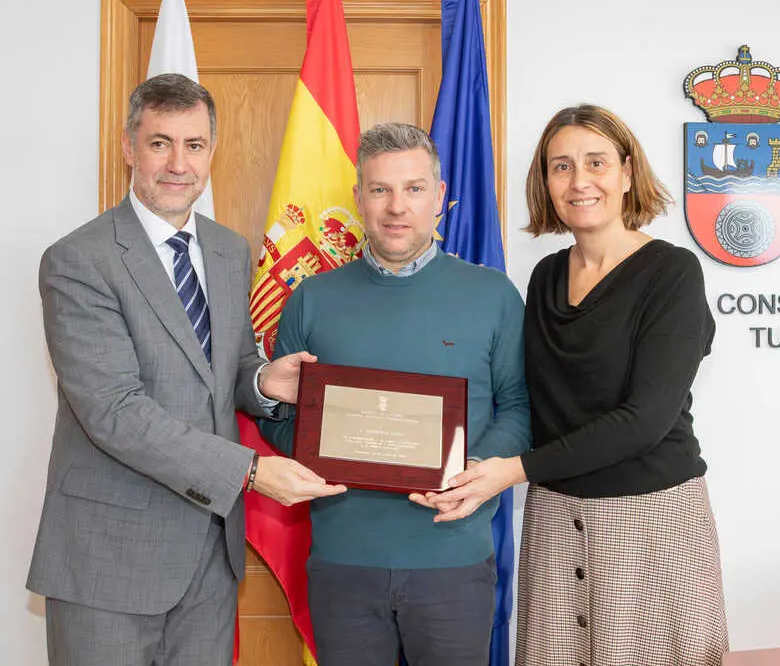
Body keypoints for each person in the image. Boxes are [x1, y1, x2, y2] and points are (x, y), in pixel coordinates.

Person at [27, 73, 347, 666]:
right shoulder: (78, 261)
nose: (179, 163)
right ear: (129, 147)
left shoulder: (227, 251)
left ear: (211, 151)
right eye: (160, 143)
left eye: (194, 145)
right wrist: (252, 472)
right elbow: (115, 413)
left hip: (209, 556)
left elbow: (224, 366)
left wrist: (261, 381)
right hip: (108, 562)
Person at [425, 104, 728, 665]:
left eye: (597, 162)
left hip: (651, 521)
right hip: (555, 517)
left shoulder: (673, 274)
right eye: (561, 166)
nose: (579, 180)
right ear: (544, 181)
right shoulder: (544, 278)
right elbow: (526, 401)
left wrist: (513, 471)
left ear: (628, 172)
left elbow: (645, 420)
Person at [258, 122, 531, 666]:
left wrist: (474, 467)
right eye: (380, 189)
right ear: (358, 198)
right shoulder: (312, 299)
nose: (396, 207)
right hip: (343, 563)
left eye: (413, 189)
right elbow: (284, 420)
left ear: (440, 198)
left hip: (453, 558)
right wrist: (277, 411)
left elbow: (520, 407)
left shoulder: (493, 295)